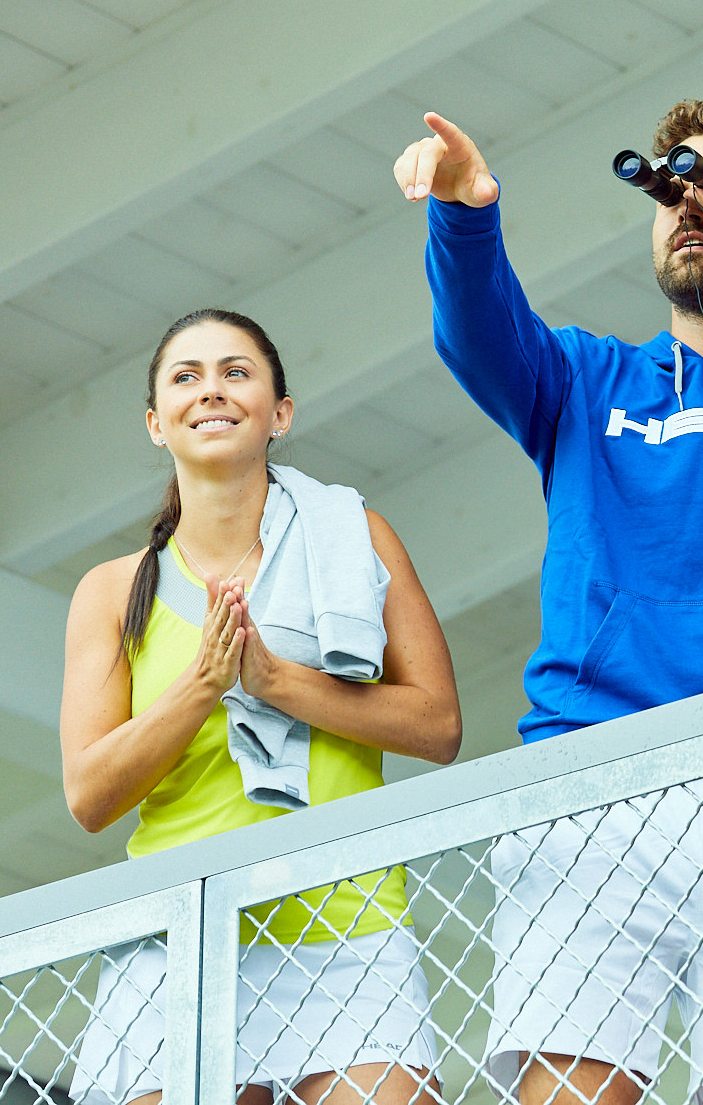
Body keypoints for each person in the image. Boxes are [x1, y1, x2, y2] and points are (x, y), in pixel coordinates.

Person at [397, 101, 703, 1105]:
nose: (688, 207)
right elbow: (480, 337)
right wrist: (466, 212)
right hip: (590, 779)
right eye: (673, 191)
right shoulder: (588, 378)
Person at [60, 308, 459, 1105]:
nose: (211, 390)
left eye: (235, 372)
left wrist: (276, 681)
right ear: (157, 423)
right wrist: (202, 685)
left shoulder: (357, 538)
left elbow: (438, 724)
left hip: (349, 928)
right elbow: (90, 794)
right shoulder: (109, 590)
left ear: (280, 413)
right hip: (180, 938)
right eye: (187, 376)